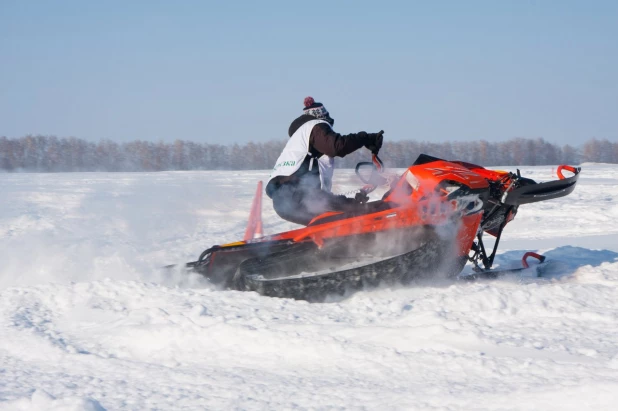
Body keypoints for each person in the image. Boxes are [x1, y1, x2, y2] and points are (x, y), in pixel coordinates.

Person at [265, 96, 384, 225]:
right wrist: (365, 138)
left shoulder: (299, 141)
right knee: (357, 216)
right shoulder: (314, 125)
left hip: (284, 201)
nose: (328, 131)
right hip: (296, 195)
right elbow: (337, 146)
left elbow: (322, 198)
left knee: (334, 222)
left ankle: (327, 244)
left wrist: (349, 202)